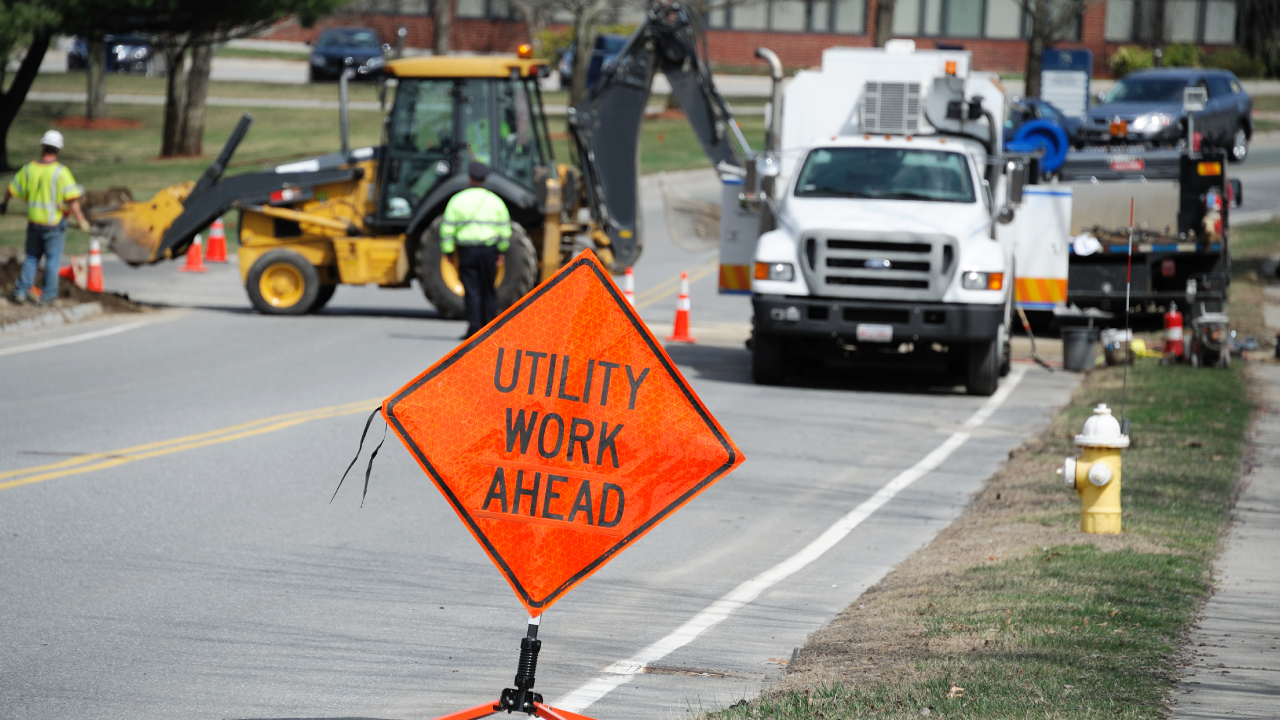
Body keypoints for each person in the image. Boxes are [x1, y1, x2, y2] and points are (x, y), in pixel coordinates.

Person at [2, 130, 89, 305]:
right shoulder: (61, 172)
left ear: (42, 147)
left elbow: (11, 190)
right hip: (54, 224)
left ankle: (20, 291)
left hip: (34, 222)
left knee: (31, 258)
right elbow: (72, 200)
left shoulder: (29, 169)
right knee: (52, 260)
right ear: (58, 150)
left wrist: (3, 204)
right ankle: (48, 296)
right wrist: (81, 221)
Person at [440, 161, 511, 338]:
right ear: (485, 179)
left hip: (467, 251)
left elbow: (447, 229)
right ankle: (490, 330)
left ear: (470, 178)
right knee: (489, 289)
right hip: (489, 251)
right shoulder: (496, 202)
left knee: (471, 290)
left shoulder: (457, 200)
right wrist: (501, 250)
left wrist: (448, 251)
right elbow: (505, 229)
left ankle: (474, 329)